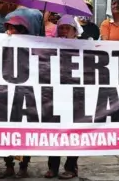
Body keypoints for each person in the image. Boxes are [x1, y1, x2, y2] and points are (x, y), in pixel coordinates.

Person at [45, 15, 81, 180]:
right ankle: (53, 167)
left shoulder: (83, 46)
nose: (64, 31)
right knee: (55, 130)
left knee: (73, 132)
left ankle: (71, 167)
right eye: (61, 28)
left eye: (68, 28)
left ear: (74, 31)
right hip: (56, 94)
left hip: (75, 95)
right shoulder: (51, 46)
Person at [0, 15, 31, 179]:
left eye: (14, 28)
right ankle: (9, 165)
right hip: (5, 94)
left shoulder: (30, 47)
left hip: (24, 95)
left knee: (24, 132)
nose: (9, 31)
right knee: (5, 131)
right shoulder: (2, 44)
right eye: (8, 28)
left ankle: (23, 166)